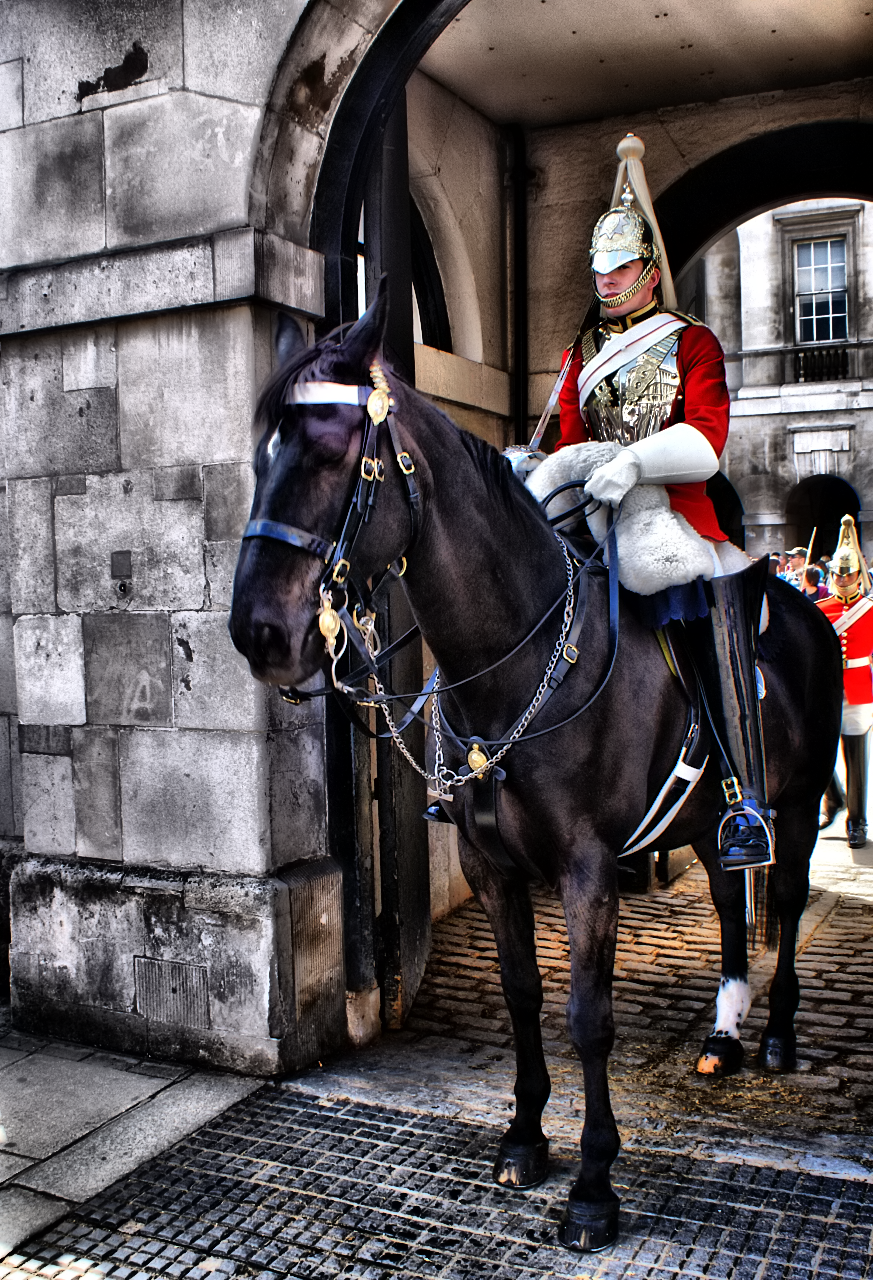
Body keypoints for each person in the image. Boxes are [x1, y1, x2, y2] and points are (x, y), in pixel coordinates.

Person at [527, 133, 773, 872]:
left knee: (710, 613)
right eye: (598, 268)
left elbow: (705, 444)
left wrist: (632, 462)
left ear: (648, 268)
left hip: (680, 517)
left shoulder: (691, 344)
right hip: (594, 523)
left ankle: (742, 798)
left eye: (620, 266)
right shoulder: (581, 354)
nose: (606, 280)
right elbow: (567, 446)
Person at [818, 515, 873, 847]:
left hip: (859, 688)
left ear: (858, 574)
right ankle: (833, 800)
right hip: (827, 688)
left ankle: (857, 820)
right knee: (821, 752)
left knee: (856, 757)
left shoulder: (869, 609)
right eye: (837, 574)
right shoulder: (821, 608)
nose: (842, 579)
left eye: (847, 574)